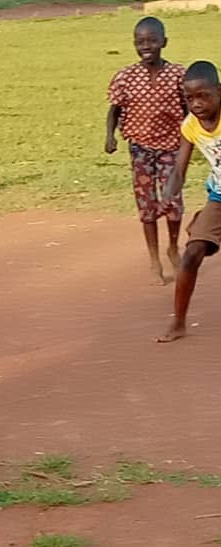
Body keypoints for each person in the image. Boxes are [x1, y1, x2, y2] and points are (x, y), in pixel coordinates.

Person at [106, 16, 186, 284]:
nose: (147, 46)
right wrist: (110, 136)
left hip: (171, 148)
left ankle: (173, 247)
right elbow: (114, 110)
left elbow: (189, 110)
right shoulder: (126, 77)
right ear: (134, 44)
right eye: (141, 42)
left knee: (172, 201)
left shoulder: (178, 75)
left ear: (164, 42)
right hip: (140, 149)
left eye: (152, 41)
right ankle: (154, 260)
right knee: (146, 204)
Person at [157, 61, 221, 342]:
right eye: (189, 98)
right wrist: (168, 195)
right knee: (192, 254)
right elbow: (179, 170)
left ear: (219, 91)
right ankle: (179, 322)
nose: (196, 104)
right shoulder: (190, 126)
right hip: (219, 197)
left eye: (203, 96)